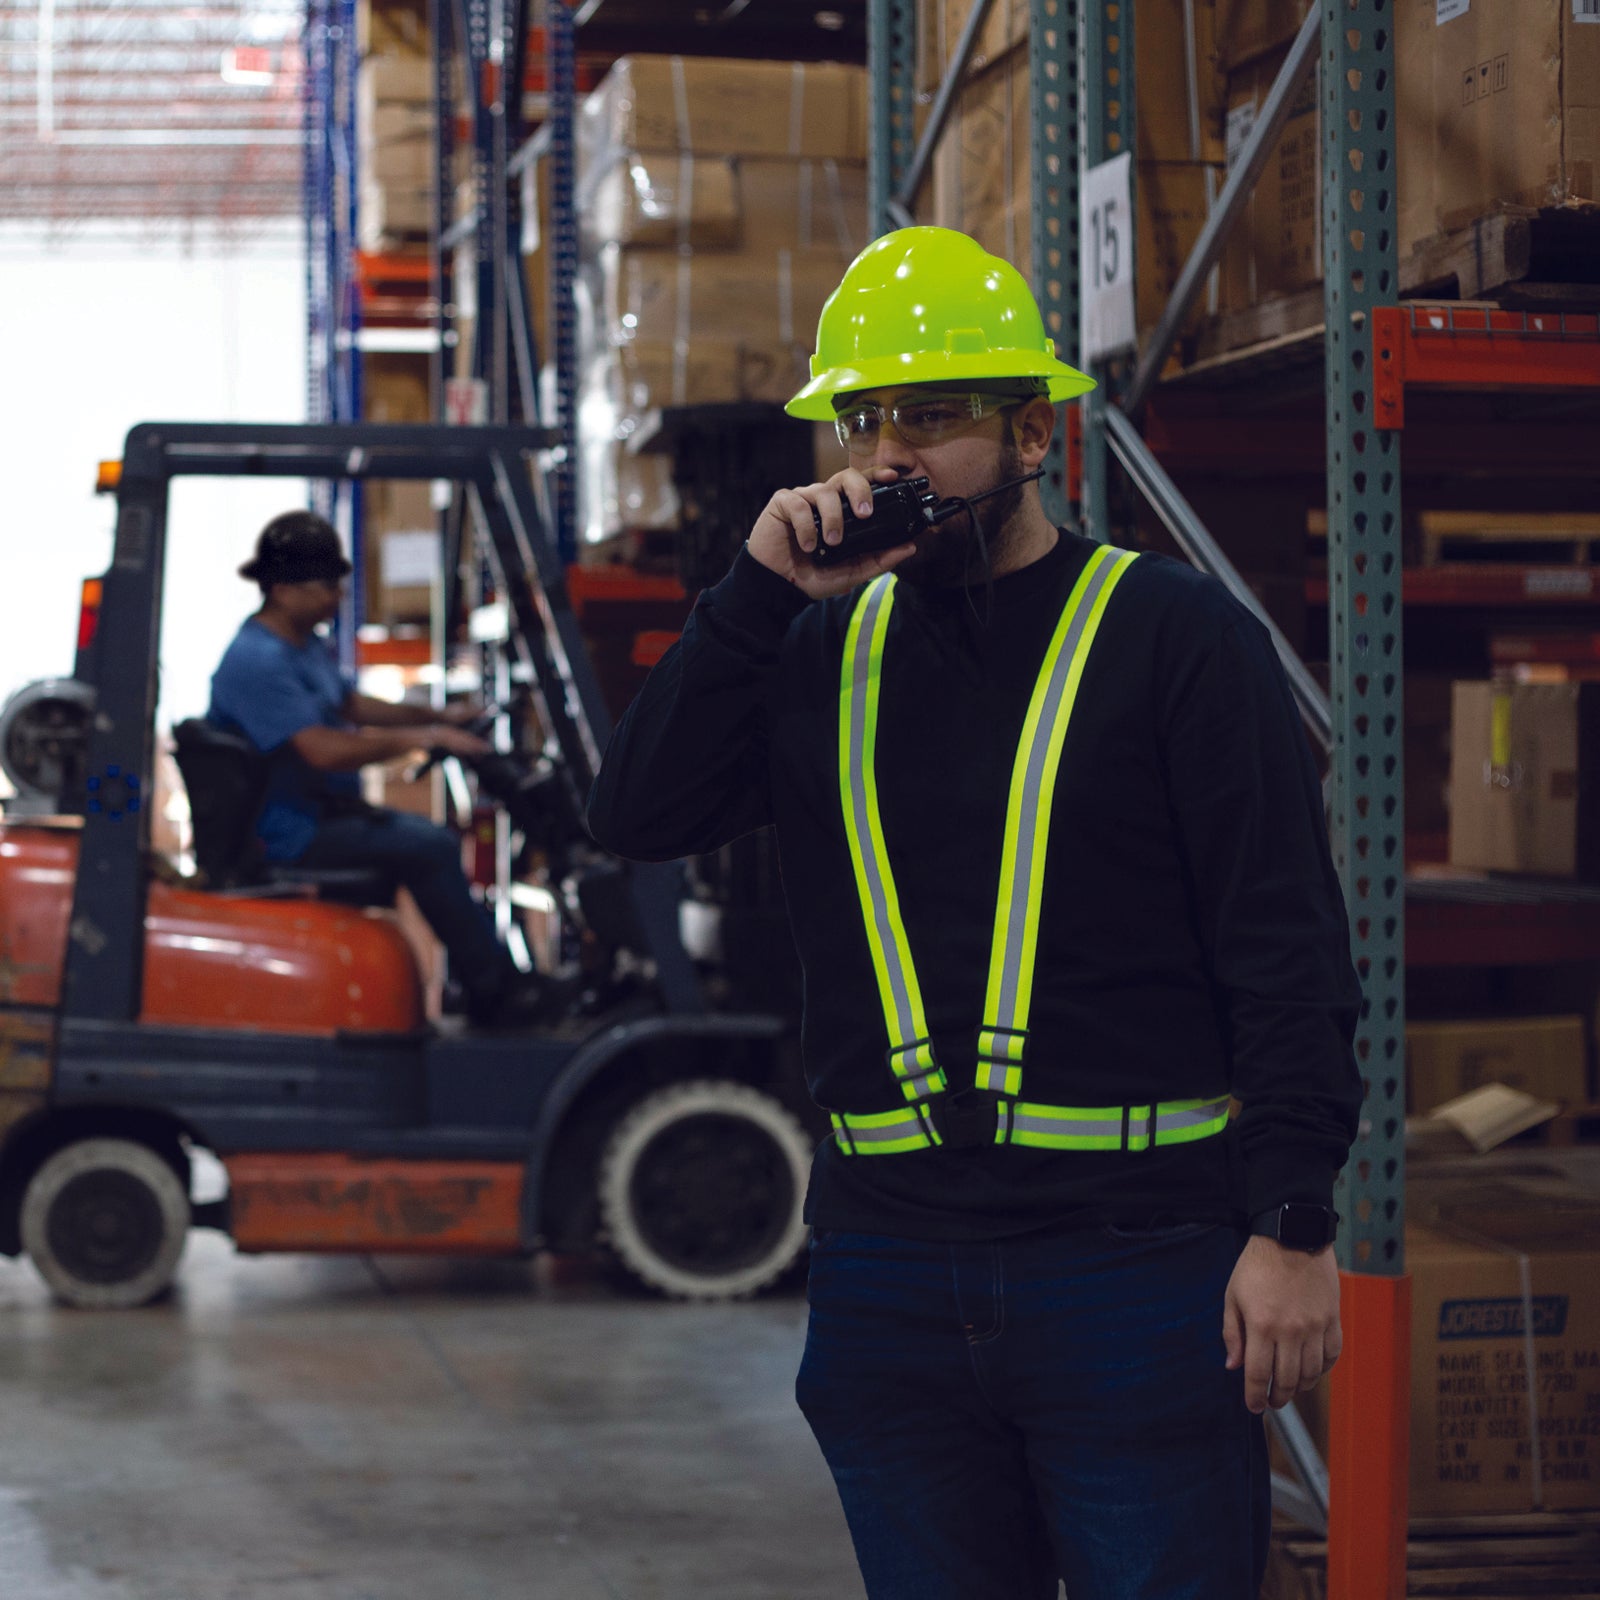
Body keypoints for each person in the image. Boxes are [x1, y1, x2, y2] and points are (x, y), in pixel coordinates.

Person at [584, 226, 1363, 1599]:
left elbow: (1287, 948)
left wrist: (1293, 1225)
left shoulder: (1177, 640)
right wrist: (755, 593)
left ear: (1035, 434)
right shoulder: (817, 647)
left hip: (1134, 1268)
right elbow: (633, 815)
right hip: (888, 1269)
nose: (891, 455)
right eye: (867, 420)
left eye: (934, 420)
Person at [209, 509, 550, 1028]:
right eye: (325, 586)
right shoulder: (258, 661)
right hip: (287, 835)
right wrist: (425, 740)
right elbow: (322, 750)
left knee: (424, 841)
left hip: (320, 817)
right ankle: (496, 993)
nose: (337, 596)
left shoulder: (301, 647)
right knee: (428, 845)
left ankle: (481, 986)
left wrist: (439, 715)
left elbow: (353, 707)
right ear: (281, 588)